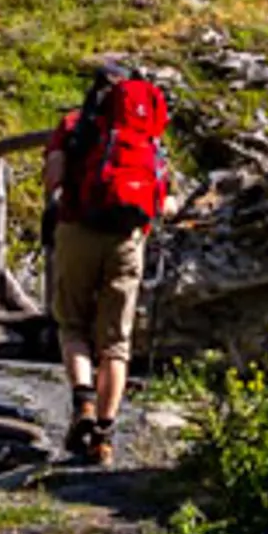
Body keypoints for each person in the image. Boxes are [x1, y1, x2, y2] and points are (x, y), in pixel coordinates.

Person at [41, 61, 170, 466]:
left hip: (77, 227)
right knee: (116, 342)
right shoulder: (144, 132)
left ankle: (82, 401)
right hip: (127, 237)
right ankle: (105, 435)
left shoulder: (75, 122)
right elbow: (161, 195)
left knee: (73, 324)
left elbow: (53, 179)